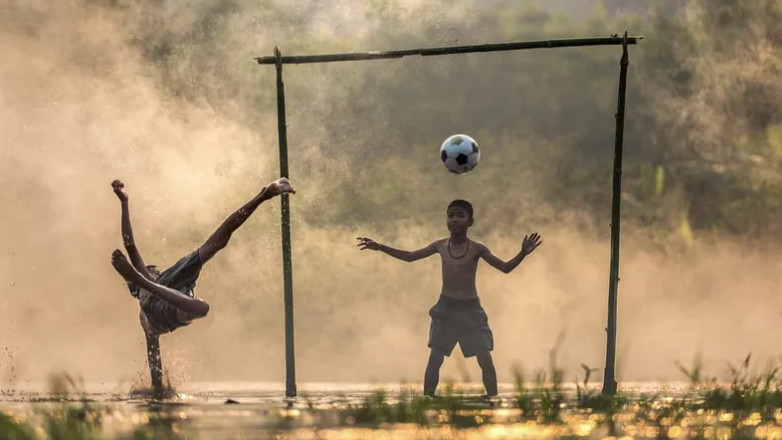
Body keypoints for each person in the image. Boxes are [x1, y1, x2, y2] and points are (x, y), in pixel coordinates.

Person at [109, 177, 295, 398]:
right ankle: (263, 195)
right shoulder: (147, 297)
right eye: (152, 271)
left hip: (170, 293)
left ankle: (263, 195)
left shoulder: (165, 280)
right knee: (200, 304)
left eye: (152, 272)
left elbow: (130, 244)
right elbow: (130, 246)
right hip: (162, 307)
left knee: (213, 247)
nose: (156, 270)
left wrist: (124, 202)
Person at [356, 199, 541, 397]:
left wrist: (523, 253)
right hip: (446, 309)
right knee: (435, 358)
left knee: (485, 358)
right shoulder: (440, 246)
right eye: (450, 215)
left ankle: (492, 399)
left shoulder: (478, 249)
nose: (454, 220)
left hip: (471, 310)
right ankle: (427, 399)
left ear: (470, 221)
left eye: (460, 216)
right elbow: (411, 257)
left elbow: (505, 268)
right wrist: (380, 247)